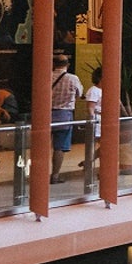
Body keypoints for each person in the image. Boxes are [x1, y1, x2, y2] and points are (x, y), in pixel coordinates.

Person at [50, 54, 85, 184]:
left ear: (54, 64)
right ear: (67, 65)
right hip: (64, 114)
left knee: (42, 144)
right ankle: (55, 175)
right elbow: (79, 93)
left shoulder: (47, 76)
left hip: (45, 114)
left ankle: (39, 173)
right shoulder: (72, 78)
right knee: (59, 147)